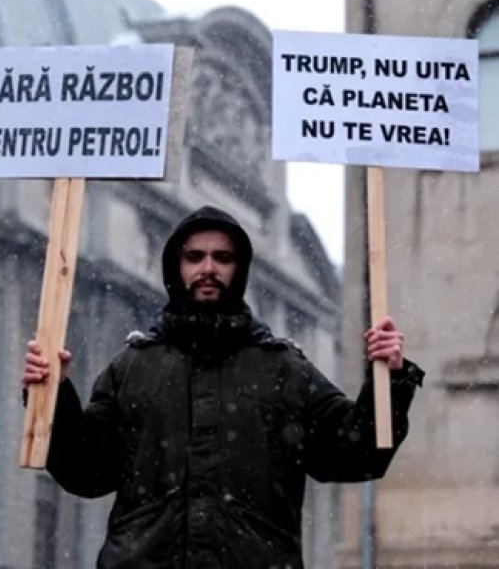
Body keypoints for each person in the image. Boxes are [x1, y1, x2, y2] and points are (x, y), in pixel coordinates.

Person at [22, 205, 423, 568]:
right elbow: (86, 471)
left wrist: (391, 378)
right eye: (195, 257)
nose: (208, 268)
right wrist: (53, 398)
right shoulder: (132, 367)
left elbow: (358, 452)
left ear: (241, 269)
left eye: (222, 258)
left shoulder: (284, 370)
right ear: (175, 268)